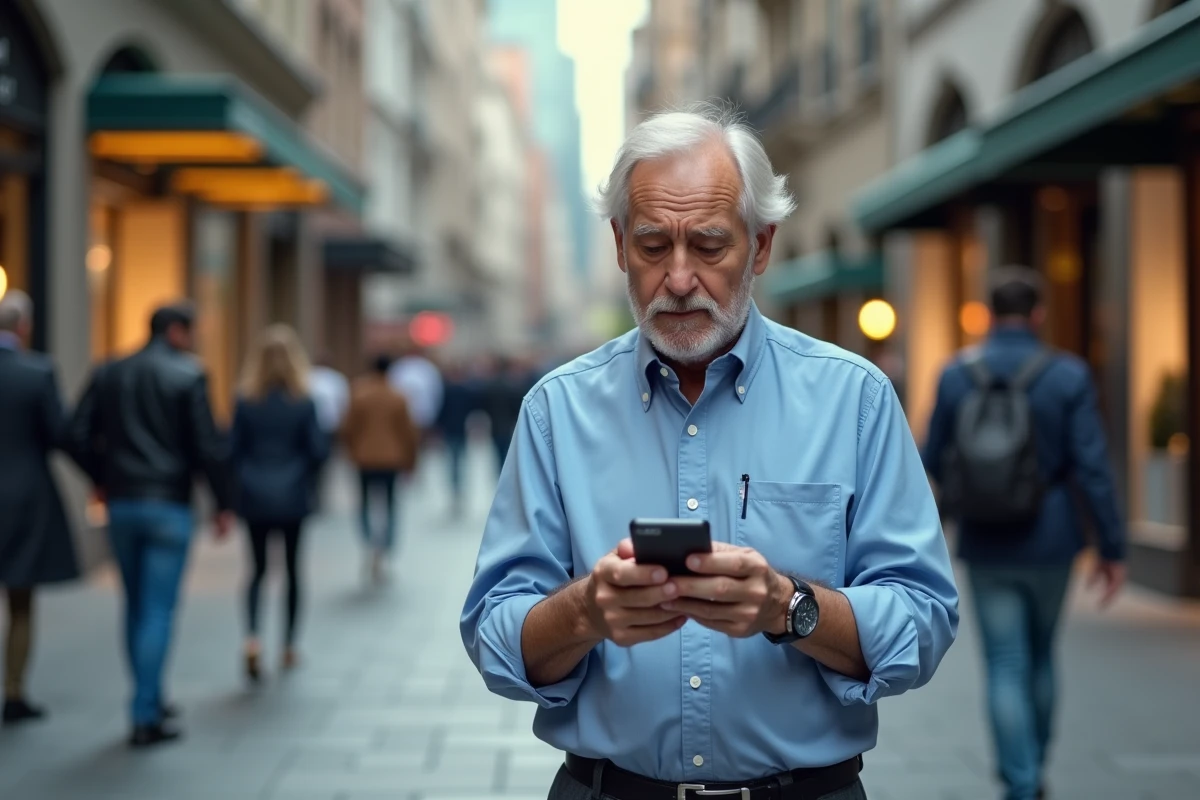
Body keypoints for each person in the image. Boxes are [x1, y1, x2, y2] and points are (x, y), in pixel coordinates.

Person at [461, 106, 959, 800]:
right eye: (654, 246)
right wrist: (588, 612)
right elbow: (492, 633)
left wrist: (788, 606)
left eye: (709, 244)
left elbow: (924, 618)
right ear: (617, 245)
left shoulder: (856, 400)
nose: (680, 277)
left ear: (760, 248)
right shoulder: (556, 412)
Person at [922, 267, 1125, 800]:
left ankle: (1021, 781)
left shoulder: (956, 373)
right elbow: (1093, 467)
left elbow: (930, 454)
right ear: (1038, 314)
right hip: (1053, 535)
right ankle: (1034, 764)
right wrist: (1112, 546)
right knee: (1040, 655)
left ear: (988, 313)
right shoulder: (1068, 374)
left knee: (1004, 662)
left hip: (986, 537)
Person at [68, 302, 234, 748]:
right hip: (168, 506)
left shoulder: (110, 371)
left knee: (137, 605)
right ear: (177, 331)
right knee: (158, 609)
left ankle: (150, 696)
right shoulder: (188, 375)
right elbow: (208, 446)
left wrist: (101, 476)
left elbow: (75, 433)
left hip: (122, 504)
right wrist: (223, 503)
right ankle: (145, 710)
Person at [230, 325, 329, 682]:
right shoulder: (304, 402)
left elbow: (232, 450)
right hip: (292, 495)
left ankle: (253, 640)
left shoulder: (244, 400)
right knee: (291, 571)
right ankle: (288, 646)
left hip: (254, 495)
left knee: (256, 571)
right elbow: (318, 451)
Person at [0, 290, 79, 726]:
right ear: (24, 327)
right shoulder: (37, 372)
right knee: (21, 600)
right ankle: (13, 690)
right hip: (25, 498)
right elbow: (59, 434)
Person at [342, 354, 420, 584]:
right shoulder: (398, 396)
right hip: (391, 458)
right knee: (390, 503)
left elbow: (347, 428)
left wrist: (351, 450)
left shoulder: (358, 394)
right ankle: (385, 546)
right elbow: (408, 433)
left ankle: (369, 541)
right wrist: (411, 461)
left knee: (365, 502)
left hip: (364, 458)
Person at [437, 360, 480, 516]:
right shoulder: (465, 390)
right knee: (459, 461)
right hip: (460, 430)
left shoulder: (449, 390)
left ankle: (456, 491)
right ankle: (459, 490)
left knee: (453, 462)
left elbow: (441, 410)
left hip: (452, 430)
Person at [387, 339, 444, 438]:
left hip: (423, 417)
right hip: (402, 417)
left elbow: (436, 393)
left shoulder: (427, 368)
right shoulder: (399, 367)